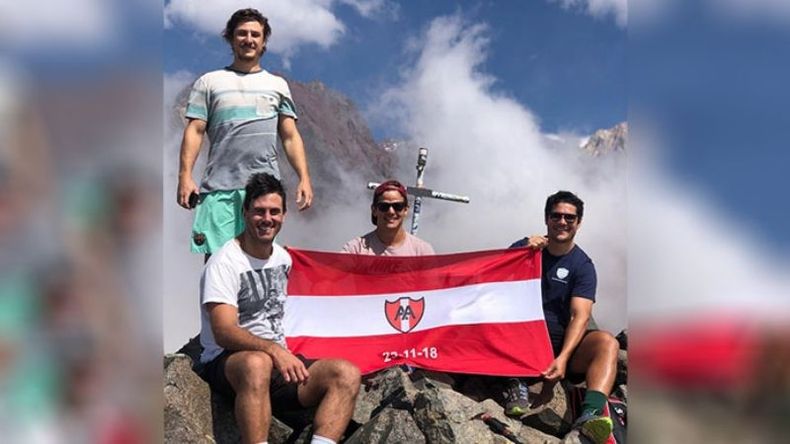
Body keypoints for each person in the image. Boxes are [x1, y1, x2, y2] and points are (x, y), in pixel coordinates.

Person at [196, 173, 359, 444]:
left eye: (274, 211)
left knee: (346, 373)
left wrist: (281, 353)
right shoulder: (224, 263)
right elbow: (223, 331)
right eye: (259, 211)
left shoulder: (282, 259)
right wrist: (273, 350)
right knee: (256, 363)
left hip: (277, 370)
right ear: (245, 212)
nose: (267, 219)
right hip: (228, 363)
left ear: (284, 215)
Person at [176, 8, 313, 256]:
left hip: (264, 190)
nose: (248, 39)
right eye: (242, 33)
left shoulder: (277, 85)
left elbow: (290, 135)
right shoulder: (209, 82)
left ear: (263, 42)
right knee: (218, 263)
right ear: (231, 38)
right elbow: (195, 130)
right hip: (219, 189)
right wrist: (184, 177)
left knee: (258, 262)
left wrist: (304, 177)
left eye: (255, 34)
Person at [504, 191, 619, 444]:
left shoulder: (583, 265)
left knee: (607, 343)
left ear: (579, 223)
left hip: (557, 347)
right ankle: (515, 381)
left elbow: (581, 315)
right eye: (557, 215)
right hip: (518, 341)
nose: (563, 221)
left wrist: (563, 358)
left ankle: (589, 416)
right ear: (547, 219)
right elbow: (496, 282)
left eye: (570, 217)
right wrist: (522, 251)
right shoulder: (525, 248)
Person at [342, 180, 435, 256]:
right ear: (374, 210)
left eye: (398, 206)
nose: (391, 211)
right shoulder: (355, 250)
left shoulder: (423, 252)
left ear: (406, 210)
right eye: (384, 206)